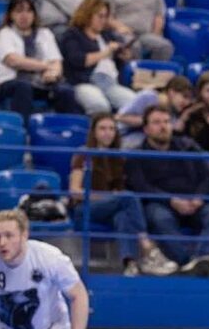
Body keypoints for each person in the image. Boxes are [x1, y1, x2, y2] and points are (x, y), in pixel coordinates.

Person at [68, 112, 177, 277]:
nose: (108, 133)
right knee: (127, 198)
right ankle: (148, 248)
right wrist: (106, 197)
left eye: (112, 129)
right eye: (102, 128)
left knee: (123, 217)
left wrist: (114, 197)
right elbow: (75, 191)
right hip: (85, 208)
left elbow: (118, 191)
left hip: (111, 207)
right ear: (94, 132)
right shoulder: (84, 154)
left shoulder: (118, 157)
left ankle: (130, 265)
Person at [127, 105, 209, 276]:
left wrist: (199, 198)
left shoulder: (188, 147)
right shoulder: (137, 155)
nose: (163, 126)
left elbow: (208, 176)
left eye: (167, 122)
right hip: (160, 203)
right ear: (146, 129)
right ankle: (186, 263)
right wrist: (171, 200)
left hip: (193, 201)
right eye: (157, 122)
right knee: (160, 218)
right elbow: (141, 186)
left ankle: (203, 258)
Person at [0, 0, 79, 120]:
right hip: (11, 82)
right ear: (11, 15)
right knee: (24, 87)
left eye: (29, 11)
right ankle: (23, 127)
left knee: (65, 90)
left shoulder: (45, 33)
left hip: (41, 83)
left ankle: (67, 128)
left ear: (34, 14)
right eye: (19, 11)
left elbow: (56, 61)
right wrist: (45, 66)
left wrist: (53, 74)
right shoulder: (4, 33)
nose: (24, 15)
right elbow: (14, 61)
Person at [60, 0, 137, 114]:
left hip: (110, 83)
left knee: (134, 103)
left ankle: (119, 124)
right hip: (84, 82)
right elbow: (79, 61)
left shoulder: (107, 35)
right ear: (87, 15)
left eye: (106, 17)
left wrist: (123, 56)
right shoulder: (72, 35)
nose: (103, 20)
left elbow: (116, 60)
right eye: (100, 16)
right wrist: (106, 52)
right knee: (100, 106)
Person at [109, 0, 174, 62]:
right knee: (134, 46)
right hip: (125, 34)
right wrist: (119, 26)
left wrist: (155, 34)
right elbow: (108, 18)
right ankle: (135, 71)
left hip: (145, 34)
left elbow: (159, 16)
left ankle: (154, 70)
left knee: (165, 46)